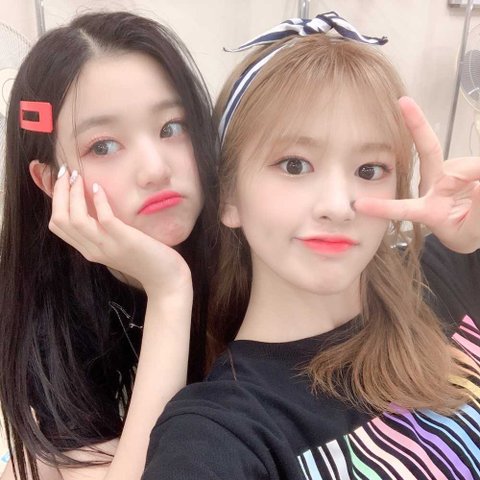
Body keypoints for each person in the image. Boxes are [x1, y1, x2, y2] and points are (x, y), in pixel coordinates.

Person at [143, 12, 480, 480]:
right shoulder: (221, 431)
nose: (338, 206)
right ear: (229, 196)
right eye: (295, 165)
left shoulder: (445, 271)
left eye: (369, 170)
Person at [0, 11, 216, 480]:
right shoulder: (48, 303)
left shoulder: (251, 246)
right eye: (103, 146)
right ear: (50, 182)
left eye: (171, 126)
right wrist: (169, 289)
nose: (155, 169)